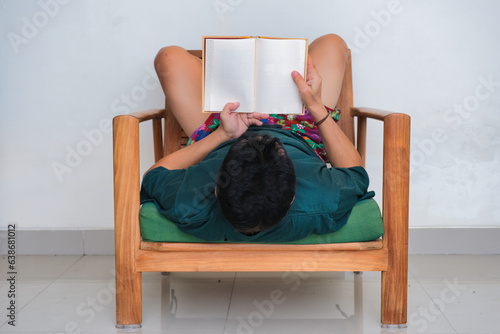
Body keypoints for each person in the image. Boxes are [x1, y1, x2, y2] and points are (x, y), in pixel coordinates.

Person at [140, 34, 374, 242]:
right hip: (298, 130)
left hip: (224, 128)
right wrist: (315, 106)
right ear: (293, 196)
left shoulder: (190, 207)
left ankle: (229, 79)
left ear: (215, 191)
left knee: (168, 57)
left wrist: (223, 134)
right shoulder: (323, 202)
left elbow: (154, 176)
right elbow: (355, 173)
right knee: (333, 43)